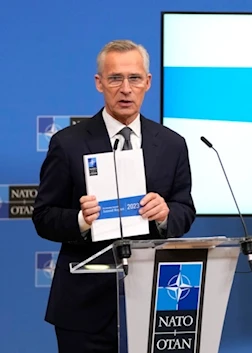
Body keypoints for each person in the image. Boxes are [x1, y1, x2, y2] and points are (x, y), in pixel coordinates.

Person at [32, 39, 196, 353]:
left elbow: (185, 209)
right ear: (99, 83)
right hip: (84, 309)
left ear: (147, 82)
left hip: (155, 303)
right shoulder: (68, 143)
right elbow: (43, 216)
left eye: (134, 78)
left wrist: (165, 215)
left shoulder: (173, 144)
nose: (125, 88)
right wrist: (81, 220)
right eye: (115, 78)